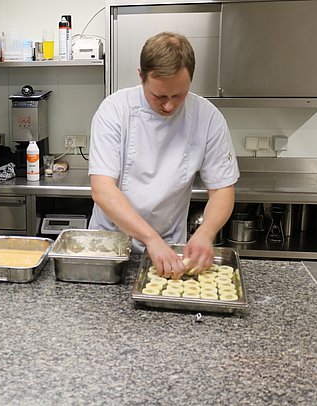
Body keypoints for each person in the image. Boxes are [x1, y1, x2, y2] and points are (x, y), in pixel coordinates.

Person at [88, 32, 239, 279]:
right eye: (159, 96)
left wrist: (206, 232)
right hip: (110, 246)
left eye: (178, 95)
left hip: (170, 247)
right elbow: (102, 189)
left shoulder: (208, 118)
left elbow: (222, 189)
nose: (169, 106)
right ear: (141, 76)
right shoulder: (115, 111)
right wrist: (150, 238)